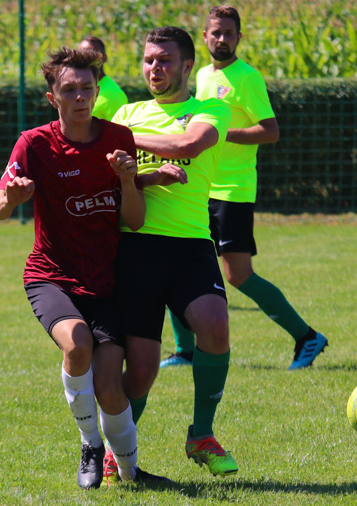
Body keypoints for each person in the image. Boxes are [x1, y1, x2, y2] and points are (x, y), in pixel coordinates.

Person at [0, 46, 183, 489]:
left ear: (98, 91)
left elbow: (133, 219)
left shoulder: (117, 138)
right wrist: (12, 199)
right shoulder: (34, 143)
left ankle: (132, 473)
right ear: (52, 96)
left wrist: (129, 180)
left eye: (86, 88)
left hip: (105, 281)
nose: (79, 97)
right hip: (50, 275)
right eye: (69, 89)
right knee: (76, 346)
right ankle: (90, 445)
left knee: (111, 388)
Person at [160, 5, 328, 371]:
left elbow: (270, 130)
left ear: (239, 38)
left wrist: (219, 132)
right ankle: (185, 350)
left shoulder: (247, 78)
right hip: (200, 187)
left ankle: (306, 337)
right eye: (215, 32)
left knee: (238, 275)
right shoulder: (199, 75)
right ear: (204, 37)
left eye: (229, 33)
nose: (222, 39)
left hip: (232, 190)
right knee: (175, 261)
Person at [107, 26, 239, 478]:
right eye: (148, 60)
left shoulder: (210, 108)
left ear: (187, 66)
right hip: (137, 247)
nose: (154, 68)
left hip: (190, 245)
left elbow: (189, 145)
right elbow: (110, 182)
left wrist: (123, 141)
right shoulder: (127, 111)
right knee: (141, 371)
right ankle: (115, 452)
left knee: (215, 326)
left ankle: (201, 434)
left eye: (164, 60)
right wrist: (142, 174)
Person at [79, 36, 129, 121]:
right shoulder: (76, 89)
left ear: (104, 58)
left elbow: (121, 132)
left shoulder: (113, 94)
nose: (85, 58)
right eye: (81, 53)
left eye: (91, 53)